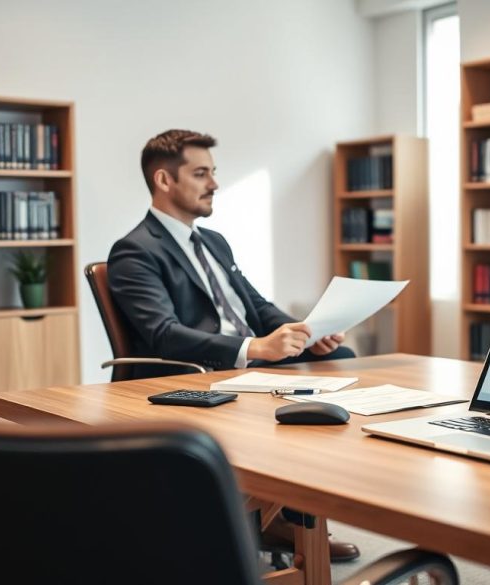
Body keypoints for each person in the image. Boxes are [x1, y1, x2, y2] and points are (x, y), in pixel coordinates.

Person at [107, 129, 359, 562]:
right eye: (201, 173)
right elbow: (163, 334)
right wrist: (255, 348)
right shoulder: (134, 251)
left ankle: (294, 520)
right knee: (301, 398)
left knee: (338, 360)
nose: (214, 184)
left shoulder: (214, 242)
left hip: (246, 363)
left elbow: (258, 308)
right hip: (201, 374)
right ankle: (284, 523)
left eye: (214, 172)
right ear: (165, 181)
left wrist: (306, 332)